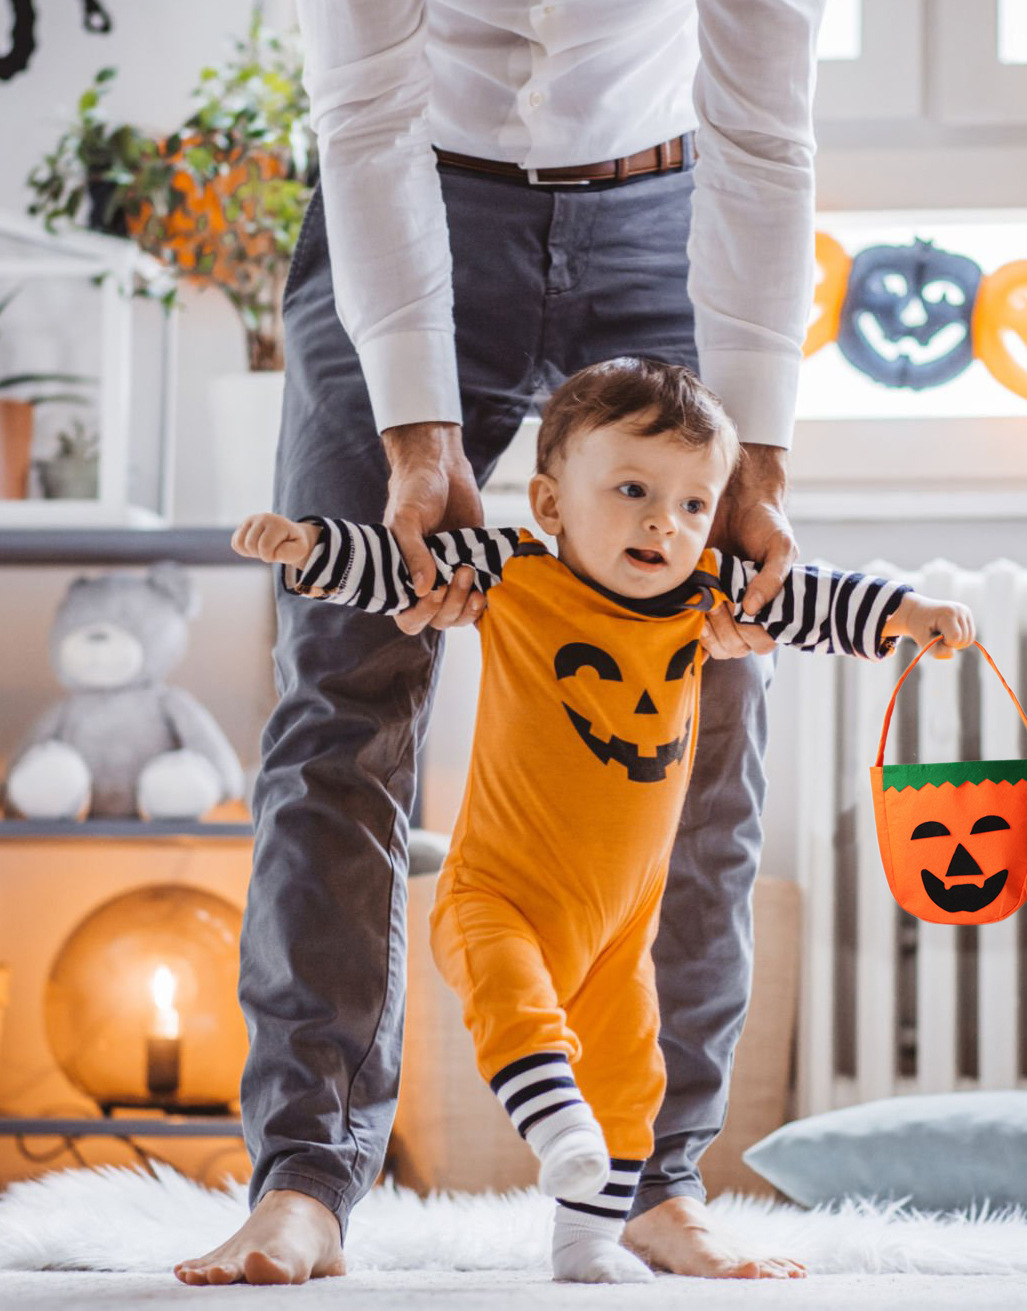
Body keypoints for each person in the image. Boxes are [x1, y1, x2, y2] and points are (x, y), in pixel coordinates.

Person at [176, 0, 863, 1287]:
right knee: (343, 681)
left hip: (668, 203)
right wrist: (415, 433)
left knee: (709, 689)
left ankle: (654, 1178)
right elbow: (367, 117)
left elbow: (765, 134)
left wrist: (757, 453)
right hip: (410, 189)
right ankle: (308, 1180)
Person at [227, 357, 976, 1284]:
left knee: (631, 1079)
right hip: (496, 895)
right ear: (549, 502)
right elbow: (395, 568)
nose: (666, 521)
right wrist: (307, 548)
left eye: (695, 504)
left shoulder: (705, 594)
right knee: (522, 1016)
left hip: (622, 928)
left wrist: (908, 613)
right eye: (632, 490)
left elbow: (812, 598)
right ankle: (554, 1129)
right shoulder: (514, 572)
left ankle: (589, 1240)